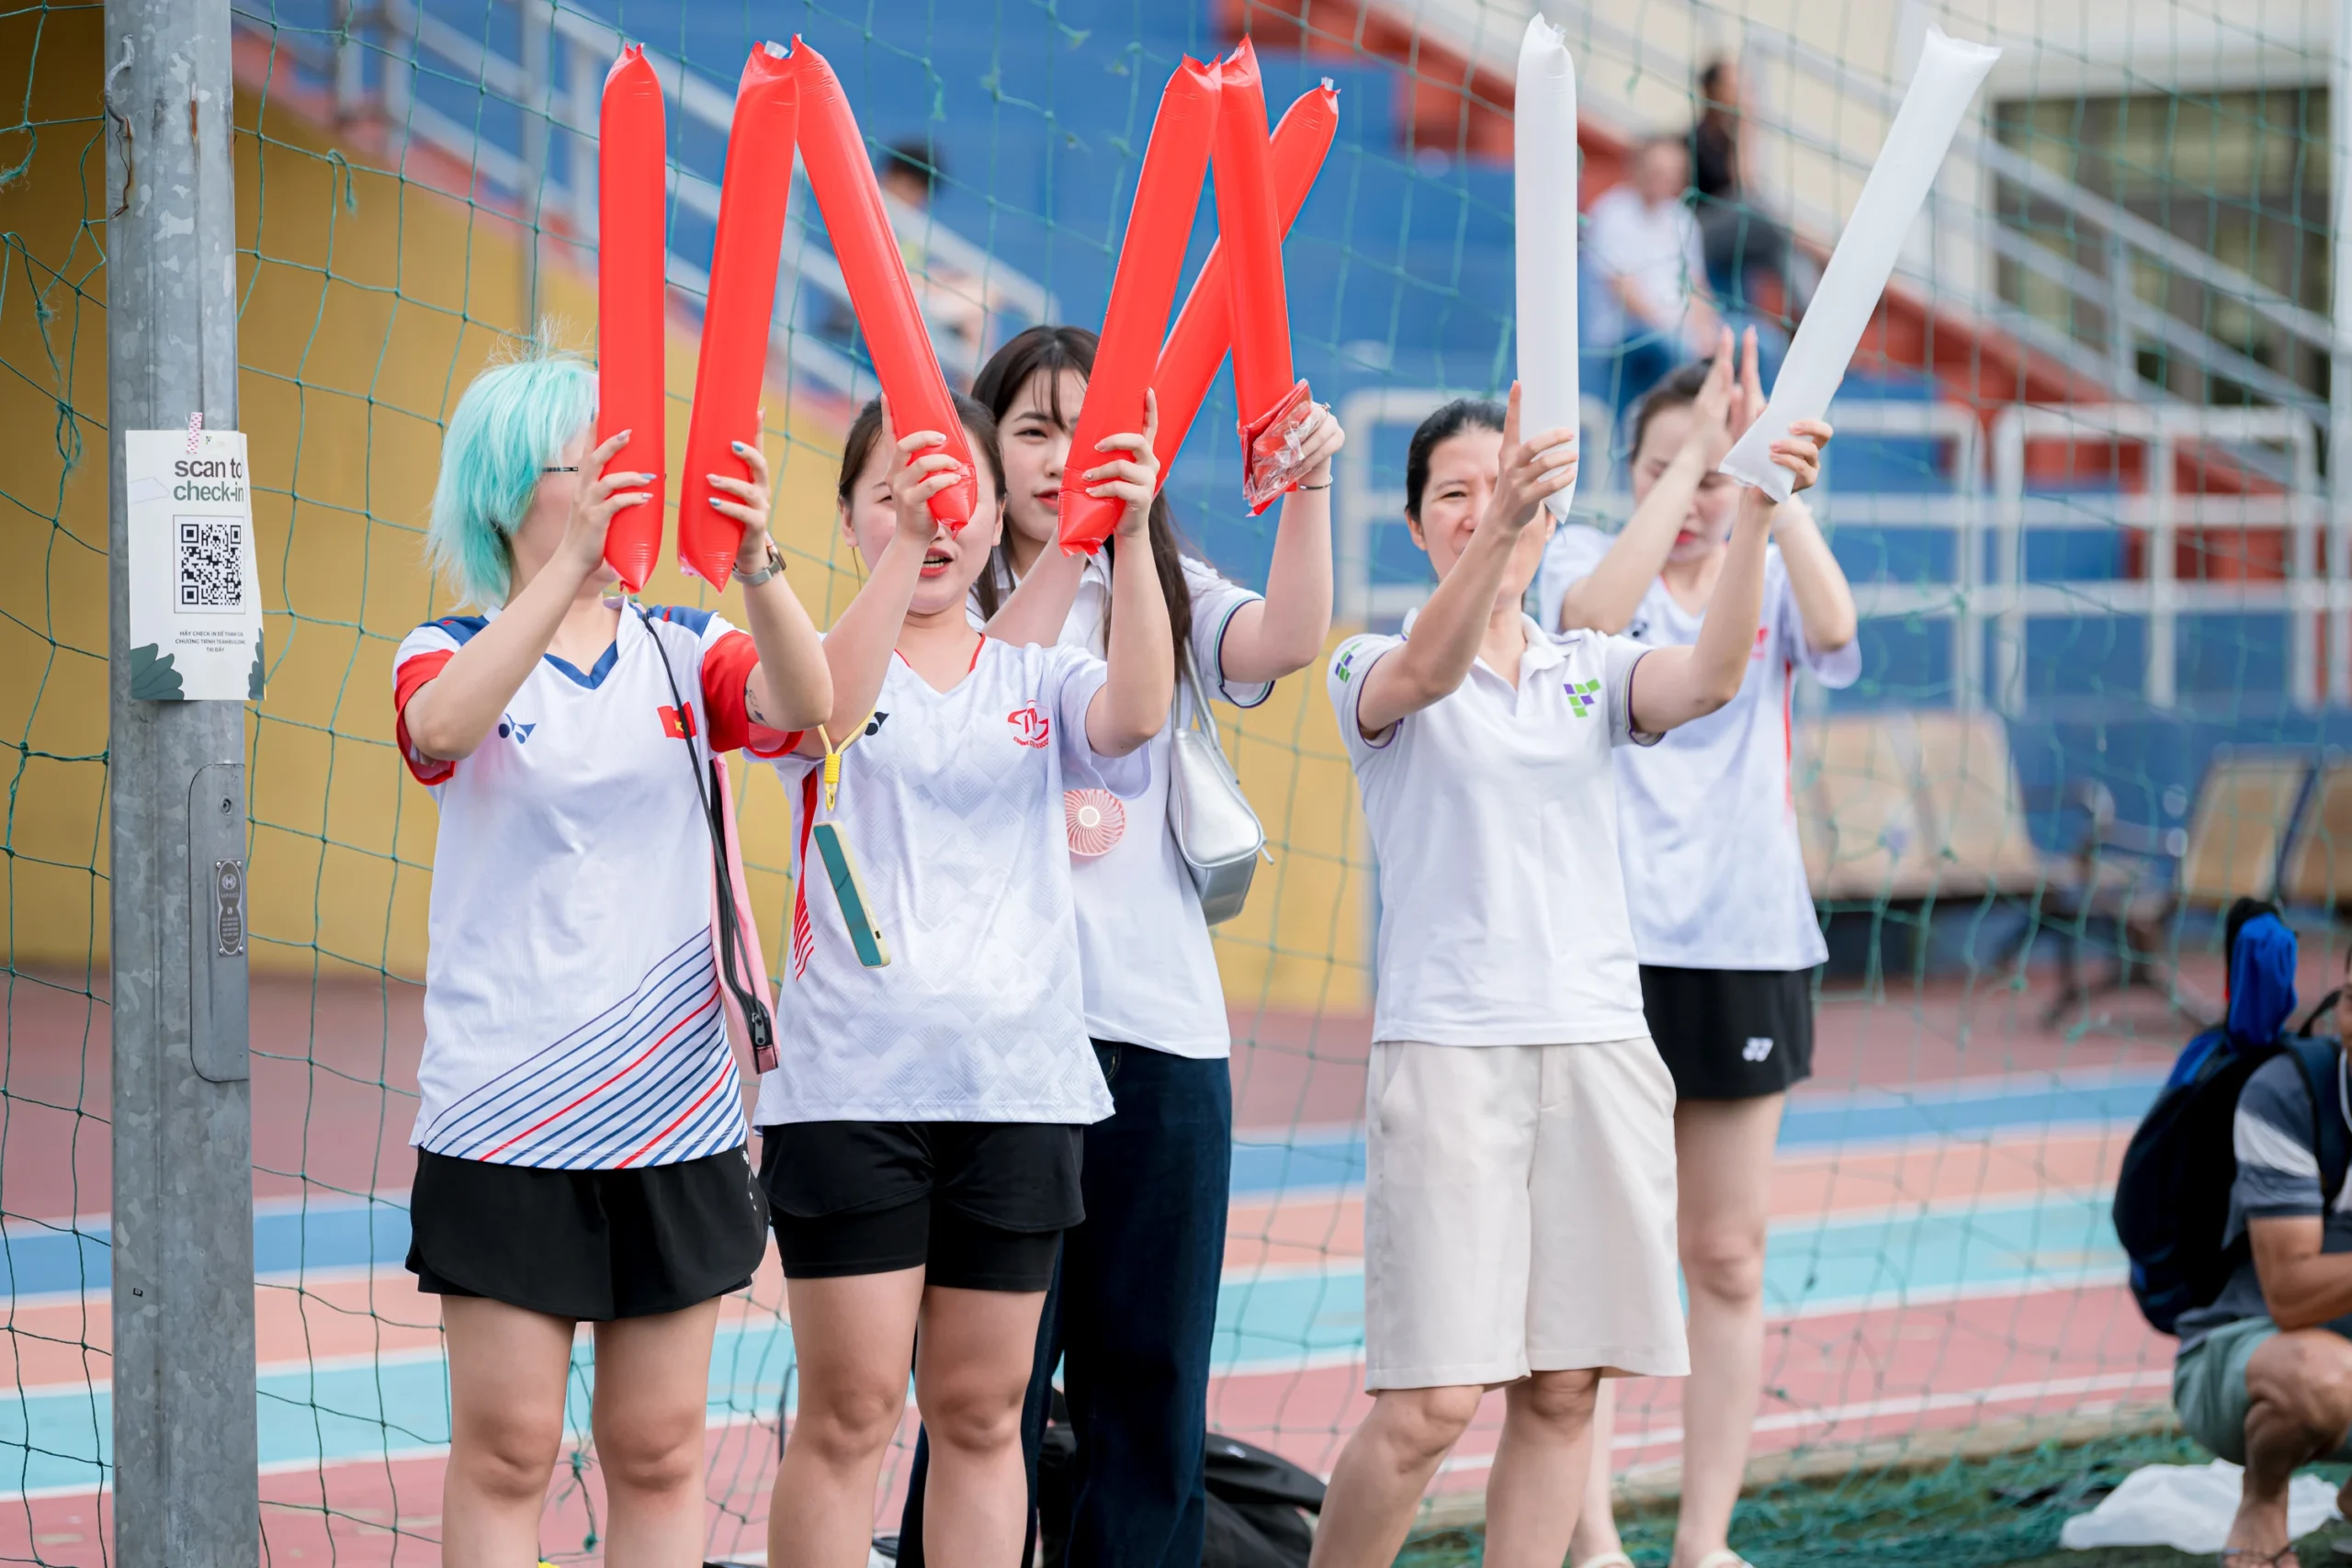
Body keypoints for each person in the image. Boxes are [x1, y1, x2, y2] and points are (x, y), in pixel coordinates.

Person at [1308, 385, 1829, 1568]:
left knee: (1561, 1390)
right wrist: (1500, 523)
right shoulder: (1373, 664)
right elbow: (1427, 674)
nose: (1484, 509)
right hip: (1452, 1056)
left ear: (1553, 520)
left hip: (1598, 1048)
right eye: (1454, 493)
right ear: (1415, 524)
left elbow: (1709, 679)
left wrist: (1755, 512)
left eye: (1509, 491)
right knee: (1431, 1405)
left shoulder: (1589, 668)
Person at [893, 323, 1346, 1568]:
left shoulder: (1166, 580)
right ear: (984, 447)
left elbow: (1287, 637)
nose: (1059, 457)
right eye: (1033, 429)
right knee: (981, 1395)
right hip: (999, 1056)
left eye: (1085, 429)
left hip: (1160, 1037)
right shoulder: (944, 593)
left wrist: (1307, 487)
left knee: (1149, 1388)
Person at [390, 344, 834, 1565]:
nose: (612, 481)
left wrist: (760, 561)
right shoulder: (443, 645)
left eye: (621, 457)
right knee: (508, 1448)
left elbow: (808, 702)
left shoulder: (685, 645)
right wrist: (565, 575)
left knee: (658, 1446)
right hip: (502, 1114)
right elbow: (439, 729)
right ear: (505, 492)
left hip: (672, 1114)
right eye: (579, 462)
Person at [756, 390, 1174, 1568]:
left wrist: (1130, 531)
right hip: (852, 1092)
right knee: (849, 1415)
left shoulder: (1037, 676)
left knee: (985, 1417)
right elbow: (820, 712)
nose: (930, 518)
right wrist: (906, 544)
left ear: (998, 516)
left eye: (954, 496)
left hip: (1017, 1090)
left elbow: (1137, 712)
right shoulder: (813, 664)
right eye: (893, 493)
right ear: (850, 515)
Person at [1540, 332, 1857, 1568]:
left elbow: (1835, 627)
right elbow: (1584, 621)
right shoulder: (1586, 555)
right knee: (1598, 1254)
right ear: (1632, 471)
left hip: (1744, 942)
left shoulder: (1762, 572)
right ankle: (1592, 1538)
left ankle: (1703, 1538)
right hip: (1606, 949)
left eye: (1713, 471)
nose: (1691, 493)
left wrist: (1769, 477)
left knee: (1724, 1252)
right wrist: (1691, 463)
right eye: (1662, 466)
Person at [2174, 914, 2352, 1568]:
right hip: (2249, 1352)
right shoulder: (2288, 1094)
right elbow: (2290, 1294)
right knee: (2324, 1378)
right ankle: (2264, 1497)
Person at [1584, 138, 1721, 411]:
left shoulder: (1682, 219)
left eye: (1673, 172)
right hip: (1629, 331)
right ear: (1637, 169)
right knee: (1675, 349)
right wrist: (1679, 329)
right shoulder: (1611, 212)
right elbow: (1623, 291)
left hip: (1679, 326)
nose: (1665, 179)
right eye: (1658, 171)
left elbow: (1696, 285)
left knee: (1759, 343)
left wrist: (1708, 329)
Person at [1689, 60, 1809, 321]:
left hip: (1736, 233)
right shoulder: (1697, 139)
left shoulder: (1728, 138)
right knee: (1757, 207)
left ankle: (1814, 316)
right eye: (1735, 85)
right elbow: (1743, 190)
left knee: (1782, 248)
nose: (1743, 93)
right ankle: (1816, 246)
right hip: (1699, 233)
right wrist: (1746, 127)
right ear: (1714, 90)